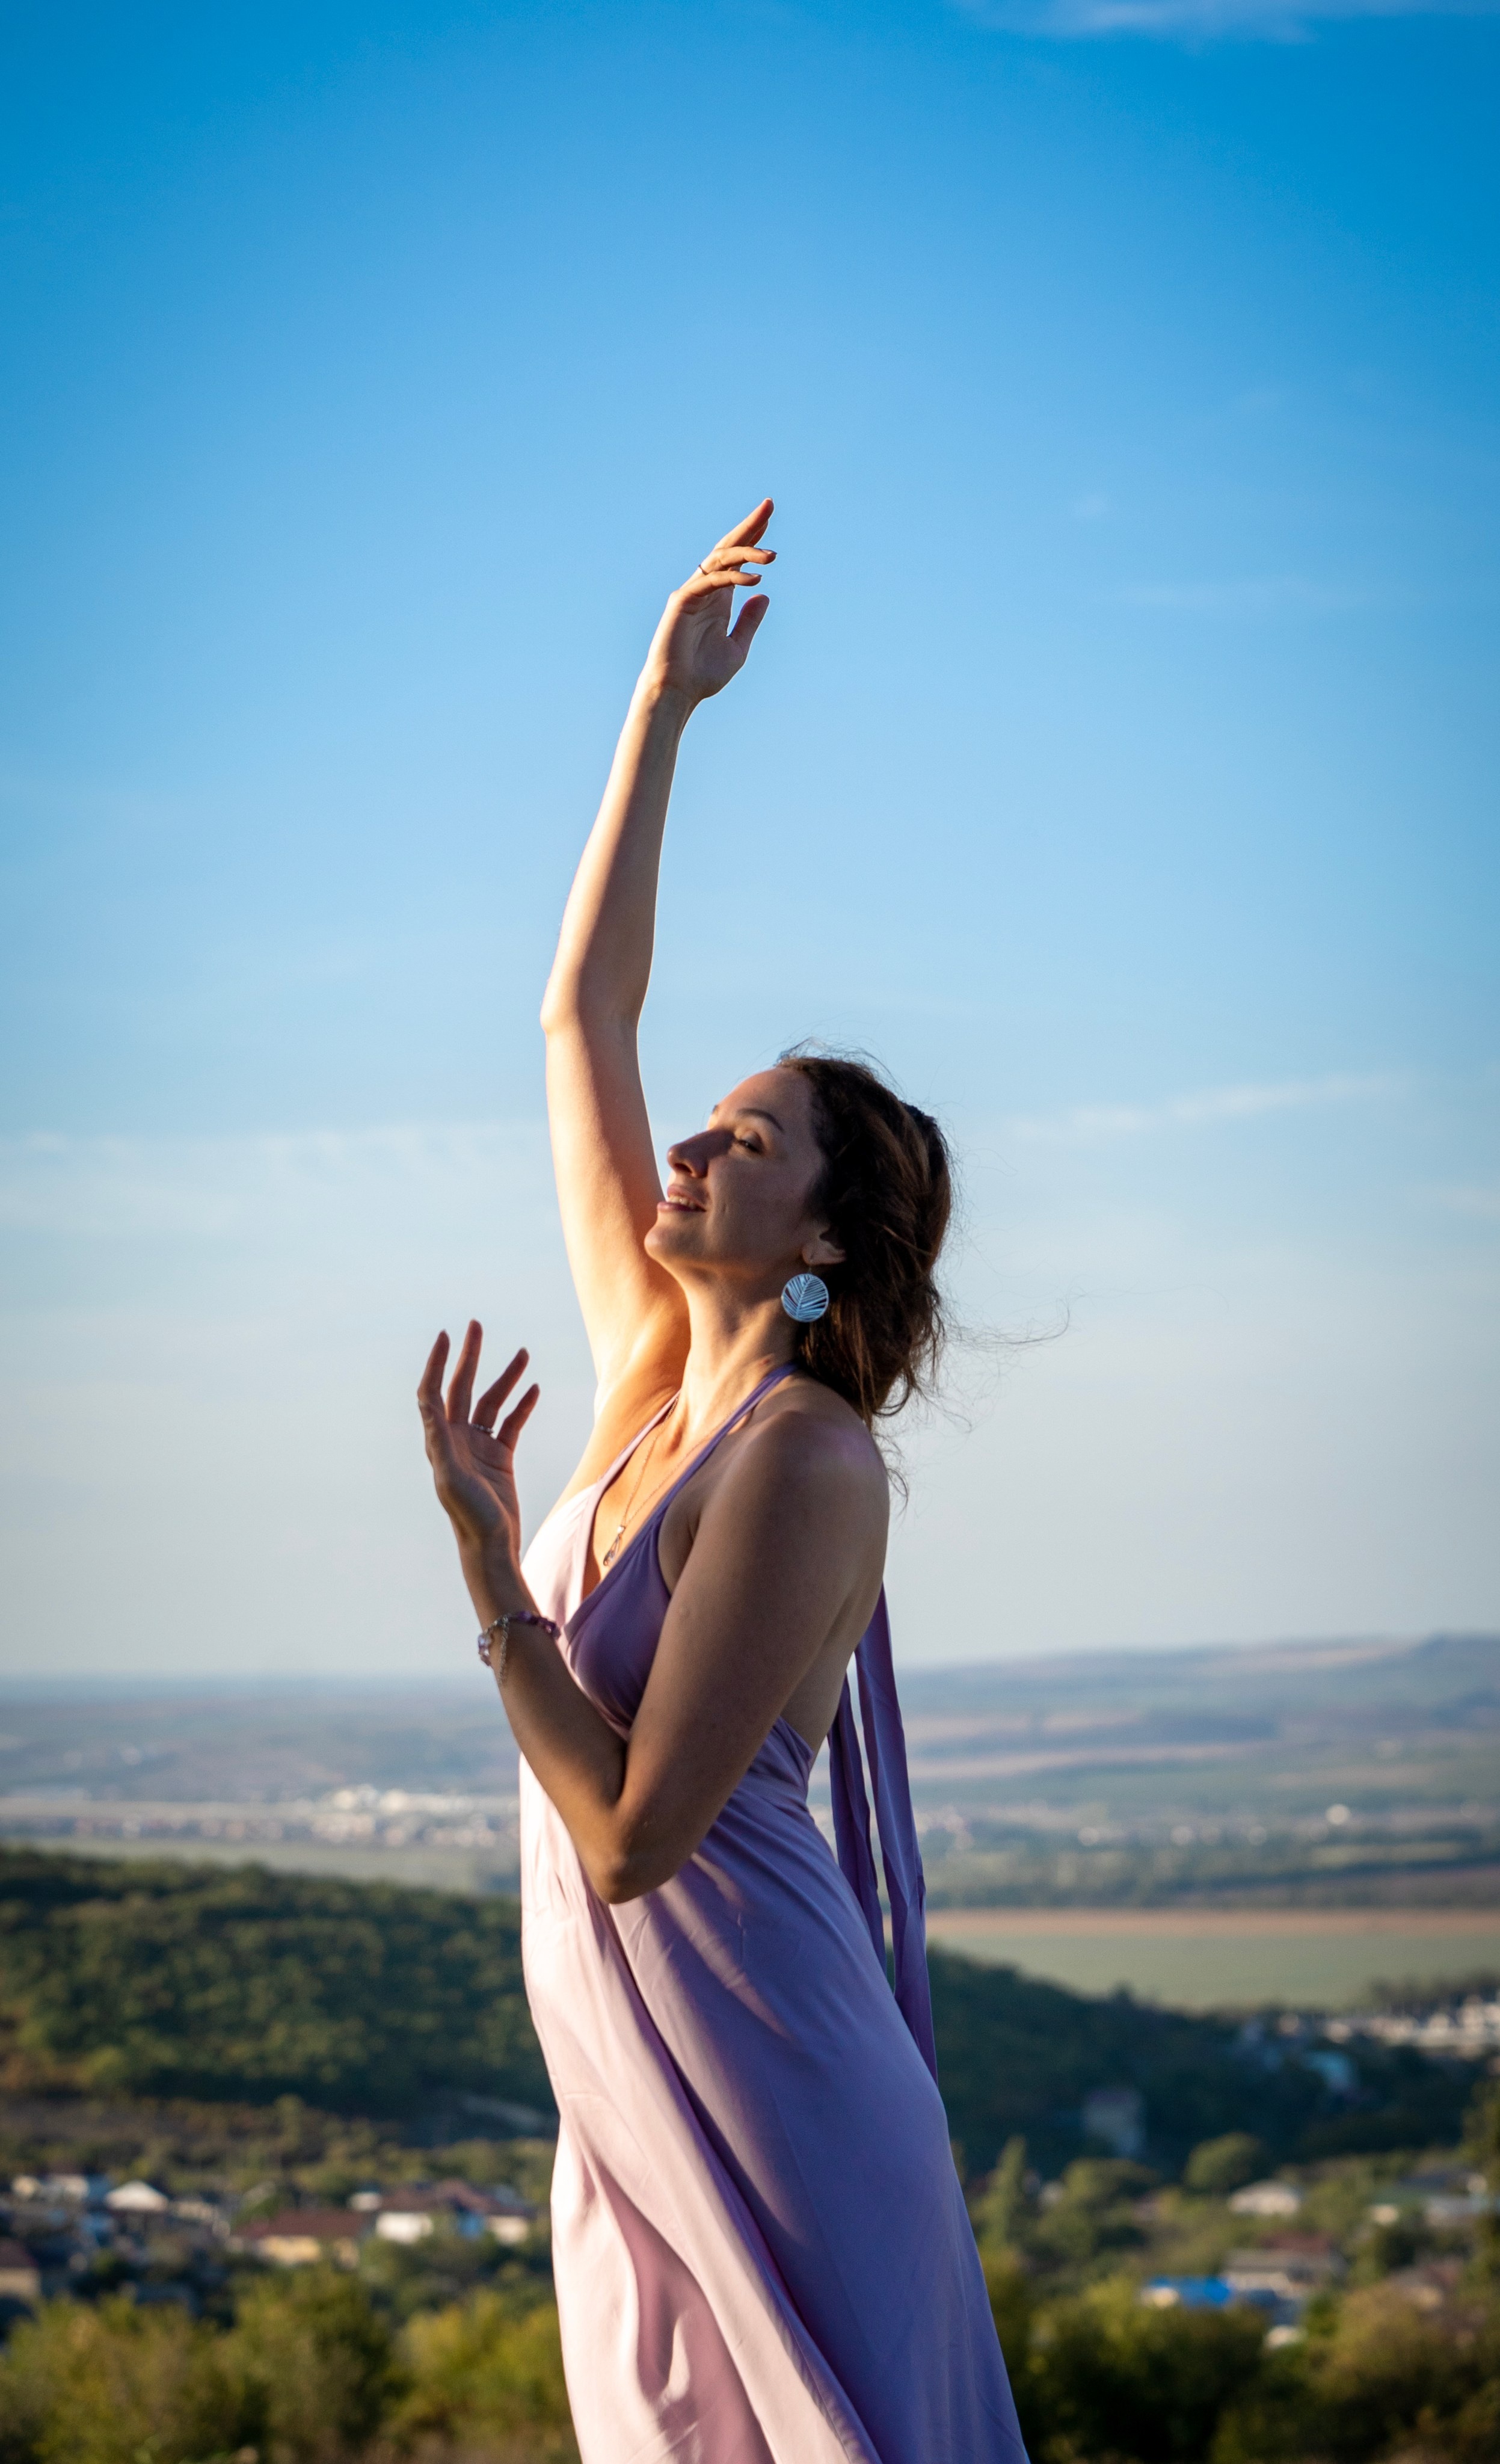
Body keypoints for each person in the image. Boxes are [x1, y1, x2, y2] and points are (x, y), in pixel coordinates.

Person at [418, 500, 1027, 2463]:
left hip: (766, 2071)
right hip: (624, 2073)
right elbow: (578, 1015)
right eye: (704, 1123)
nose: (686, 1150)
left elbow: (629, 1840)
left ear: (823, 1240)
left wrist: (496, 1586)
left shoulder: (804, 1458)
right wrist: (660, 708)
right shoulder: (646, 1376)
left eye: (745, 1143)